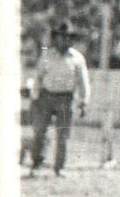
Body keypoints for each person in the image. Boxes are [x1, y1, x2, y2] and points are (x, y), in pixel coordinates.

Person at [29, 20, 91, 177]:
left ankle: (59, 168)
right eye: (61, 37)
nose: (65, 40)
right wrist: (35, 98)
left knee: (63, 135)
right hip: (46, 97)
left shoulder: (77, 58)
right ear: (55, 38)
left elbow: (83, 82)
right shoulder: (47, 55)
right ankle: (36, 165)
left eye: (68, 37)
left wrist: (83, 102)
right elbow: (38, 77)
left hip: (66, 99)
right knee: (40, 132)